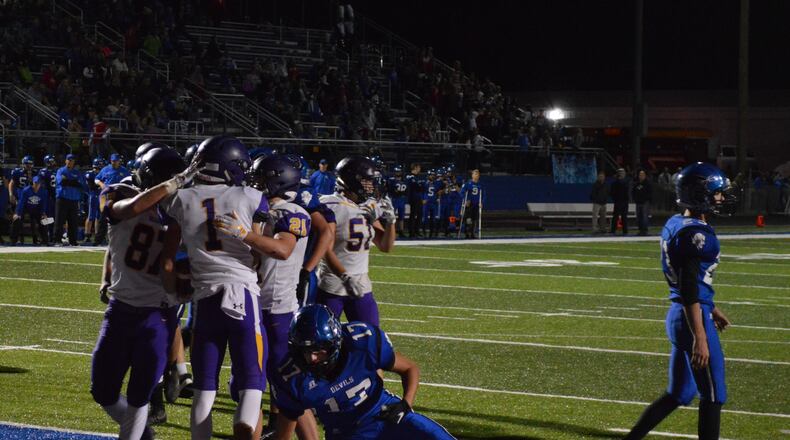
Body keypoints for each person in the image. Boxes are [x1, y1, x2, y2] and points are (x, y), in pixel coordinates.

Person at [159, 135, 268, 440]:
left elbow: (167, 261)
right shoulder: (250, 196)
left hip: (204, 300)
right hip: (241, 296)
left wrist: (173, 293)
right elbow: (259, 253)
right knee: (252, 384)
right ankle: (244, 429)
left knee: (204, 389)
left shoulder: (180, 200)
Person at [623, 162, 737, 440]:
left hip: (680, 314)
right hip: (692, 318)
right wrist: (700, 335)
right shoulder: (697, 235)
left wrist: (713, 307)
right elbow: (688, 286)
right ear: (699, 194)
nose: (720, 198)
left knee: (680, 392)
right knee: (713, 394)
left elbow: (690, 282)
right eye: (716, 193)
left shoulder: (676, 222)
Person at [91, 146, 196, 440]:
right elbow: (129, 211)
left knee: (140, 396)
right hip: (121, 308)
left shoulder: (182, 208)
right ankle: (143, 435)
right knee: (102, 391)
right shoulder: (118, 191)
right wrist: (173, 184)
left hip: (158, 314)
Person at [270, 304, 455, 440]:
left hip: (386, 414)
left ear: (334, 343)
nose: (312, 358)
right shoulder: (293, 376)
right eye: (305, 351)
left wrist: (405, 404)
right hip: (347, 434)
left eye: (318, 351)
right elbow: (284, 432)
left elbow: (409, 368)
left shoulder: (362, 343)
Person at [246, 154, 321, 438]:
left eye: (260, 178)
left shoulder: (292, 212)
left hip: (277, 310)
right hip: (253, 305)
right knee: (250, 387)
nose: (255, 184)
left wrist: (244, 233)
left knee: (291, 388)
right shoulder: (260, 209)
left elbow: (282, 249)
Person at [316, 156, 396, 327]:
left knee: (371, 335)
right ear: (352, 180)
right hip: (332, 285)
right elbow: (325, 249)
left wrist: (391, 222)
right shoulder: (330, 205)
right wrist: (345, 277)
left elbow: (386, 246)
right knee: (323, 338)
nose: (371, 186)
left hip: (362, 285)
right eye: (367, 181)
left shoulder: (368, 205)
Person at [294, 157, 337, 308]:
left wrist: (307, 269)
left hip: (299, 267)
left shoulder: (303, 195)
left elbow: (327, 230)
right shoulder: (314, 177)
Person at [54, 154, 86, 246]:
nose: (69, 162)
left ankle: (73, 241)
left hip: (74, 199)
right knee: (59, 220)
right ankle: (57, 240)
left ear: (74, 162)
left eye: (71, 160)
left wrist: (68, 181)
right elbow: (62, 181)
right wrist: (73, 182)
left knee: (73, 221)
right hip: (62, 198)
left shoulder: (77, 172)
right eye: (68, 160)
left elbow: (81, 184)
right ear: (65, 161)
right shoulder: (61, 170)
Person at [11, 175, 48, 245]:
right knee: (16, 219)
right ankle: (14, 240)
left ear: (40, 184)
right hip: (26, 208)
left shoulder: (44, 192)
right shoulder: (26, 190)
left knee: (45, 220)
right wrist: (18, 213)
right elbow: (21, 203)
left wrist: (43, 213)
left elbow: (44, 204)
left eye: (38, 184)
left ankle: (45, 240)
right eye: (35, 183)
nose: (37, 185)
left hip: (36, 209)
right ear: (32, 183)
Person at [83, 157, 105, 245]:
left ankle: (97, 235)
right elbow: (91, 186)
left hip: (100, 195)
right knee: (91, 215)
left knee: (98, 216)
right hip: (93, 195)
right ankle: (87, 235)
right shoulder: (90, 174)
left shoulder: (103, 173)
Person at [386, 165, 408, 238]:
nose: (398, 173)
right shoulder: (392, 180)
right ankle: (391, 231)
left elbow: (407, 191)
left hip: (401, 200)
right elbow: (391, 190)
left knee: (401, 217)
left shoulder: (404, 180)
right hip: (394, 199)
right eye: (397, 171)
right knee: (392, 216)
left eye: (399, 171)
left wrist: (403, 194)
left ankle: (401, 231)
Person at [460, 169, 483, 239]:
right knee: (468, 219)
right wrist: (466, 200)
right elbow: (462, 192)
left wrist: (482, 202)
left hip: (476, 204)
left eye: (478, 174)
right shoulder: (468, 184)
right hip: (469, 204)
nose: (476, 176)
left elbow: (483, 194)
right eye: (475, 174)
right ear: (472, 175)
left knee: (474, 219)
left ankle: (472, 233)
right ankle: (467, 233)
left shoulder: (480, 185)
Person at [422, 169, 444, 238]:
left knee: (433, 219)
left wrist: (440, 192)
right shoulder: (425, 183)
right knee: (425, 218)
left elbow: (443, 187)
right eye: (431, 175)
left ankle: (432, 233)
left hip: (433, 202)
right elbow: (421, 191)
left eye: (433, 175)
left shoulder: (437, 183)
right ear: (428, 175)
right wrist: (422, 199)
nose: (432, 176)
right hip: (426, 202)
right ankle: (424, 233)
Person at [609, 168, 630, 235]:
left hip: (624, 201)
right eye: (621, 173)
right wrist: (615, 199)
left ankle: (625, 230)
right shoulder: (615, 182)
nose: (622, 174)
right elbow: (612, 192)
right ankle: (613, 230)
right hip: (618, 201)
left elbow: (628, 191)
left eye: (623, 172)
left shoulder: (627, 182)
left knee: (624, 216)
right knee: (615, 216)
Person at [406, 163, 424, 238]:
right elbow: (416, 186)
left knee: (420, 214)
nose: (420, 169)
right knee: (413, 215)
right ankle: (411, 232)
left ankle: (417, 231)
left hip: (419, 198)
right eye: (419, 167)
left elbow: (422, 187)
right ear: (415, 167)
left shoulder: (418, 177)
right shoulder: (409, 176)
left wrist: (420, 186)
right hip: (413, 197)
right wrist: (420, 186)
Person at [633, 169, 653, 236]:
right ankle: (640, 230)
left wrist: (647, 199)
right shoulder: (636, 184)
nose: (641, 176)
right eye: (640, 175)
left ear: (645, 175)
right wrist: (635, 199)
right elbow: (633, 192)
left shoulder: (648, 184)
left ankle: (645, 230)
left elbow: (650, 193)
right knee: (639, 217)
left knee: (645, 217)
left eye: (642, 175)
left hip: (645, 203)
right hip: (638, 202)